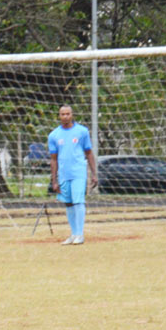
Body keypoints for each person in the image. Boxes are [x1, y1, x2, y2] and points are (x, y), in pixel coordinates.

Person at [48, 105, 97, 245]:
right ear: (59, 116)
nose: (65, 116)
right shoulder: (54, 135)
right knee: (68, 203)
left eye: (68, 114)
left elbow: (88, 153)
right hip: (64, 173)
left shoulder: (82, 132)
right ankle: (73, 233)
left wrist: (94, 173)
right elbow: (53, 159)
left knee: (78, 200)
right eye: (62, 114)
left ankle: (80, 234)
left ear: (72, 115)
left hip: (78, 172)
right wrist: (54, 180)